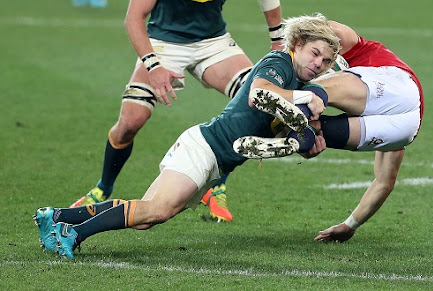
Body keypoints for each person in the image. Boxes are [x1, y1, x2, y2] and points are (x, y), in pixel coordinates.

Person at [69, 0, 286, 223]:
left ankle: (215, 185)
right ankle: (103, 187)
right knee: (130, 122)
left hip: (214, 42)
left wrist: (278, 41)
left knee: (257, 103)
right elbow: (133, 18)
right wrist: (154, 66)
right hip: (166, 42)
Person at [34, 14, 340, 260]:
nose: (318, 64)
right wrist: (303, 104)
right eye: (315, 54)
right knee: (157, 210)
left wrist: (304, 143)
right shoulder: (279, 64)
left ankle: (57, 217)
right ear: (297, 44)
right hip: (204, 148)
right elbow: (259, 95)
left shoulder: (297, 83)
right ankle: (72, 235)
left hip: (216, 161)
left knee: (146, 217)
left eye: (326, 61)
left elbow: (277, 130)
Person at [235, 20, 424, 242]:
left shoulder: (358, 48)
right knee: (316, 130)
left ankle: (284, 127)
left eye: (325, 59)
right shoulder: (352, 52)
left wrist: (290, 39)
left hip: (397, 86)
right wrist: (350, 225)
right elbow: (384, 182)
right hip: (406, 130)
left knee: (317, 90)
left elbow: (320, 27)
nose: (319, 63)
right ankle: (296, 140)